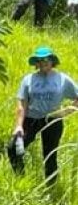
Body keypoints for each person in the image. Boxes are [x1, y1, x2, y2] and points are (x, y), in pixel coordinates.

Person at [8, 46, 78, 185]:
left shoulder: (62, 79)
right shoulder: (28, 80)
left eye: (47, 59)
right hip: (31, 119)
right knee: (13, 148)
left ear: (52, 61)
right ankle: (21, 180)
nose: (43, 62)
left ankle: (50, 188)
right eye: (40, 60)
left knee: (50, 156)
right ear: (36, 63)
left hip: (53, 120)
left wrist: (68, 110)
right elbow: (22, 104)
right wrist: (18, 126)